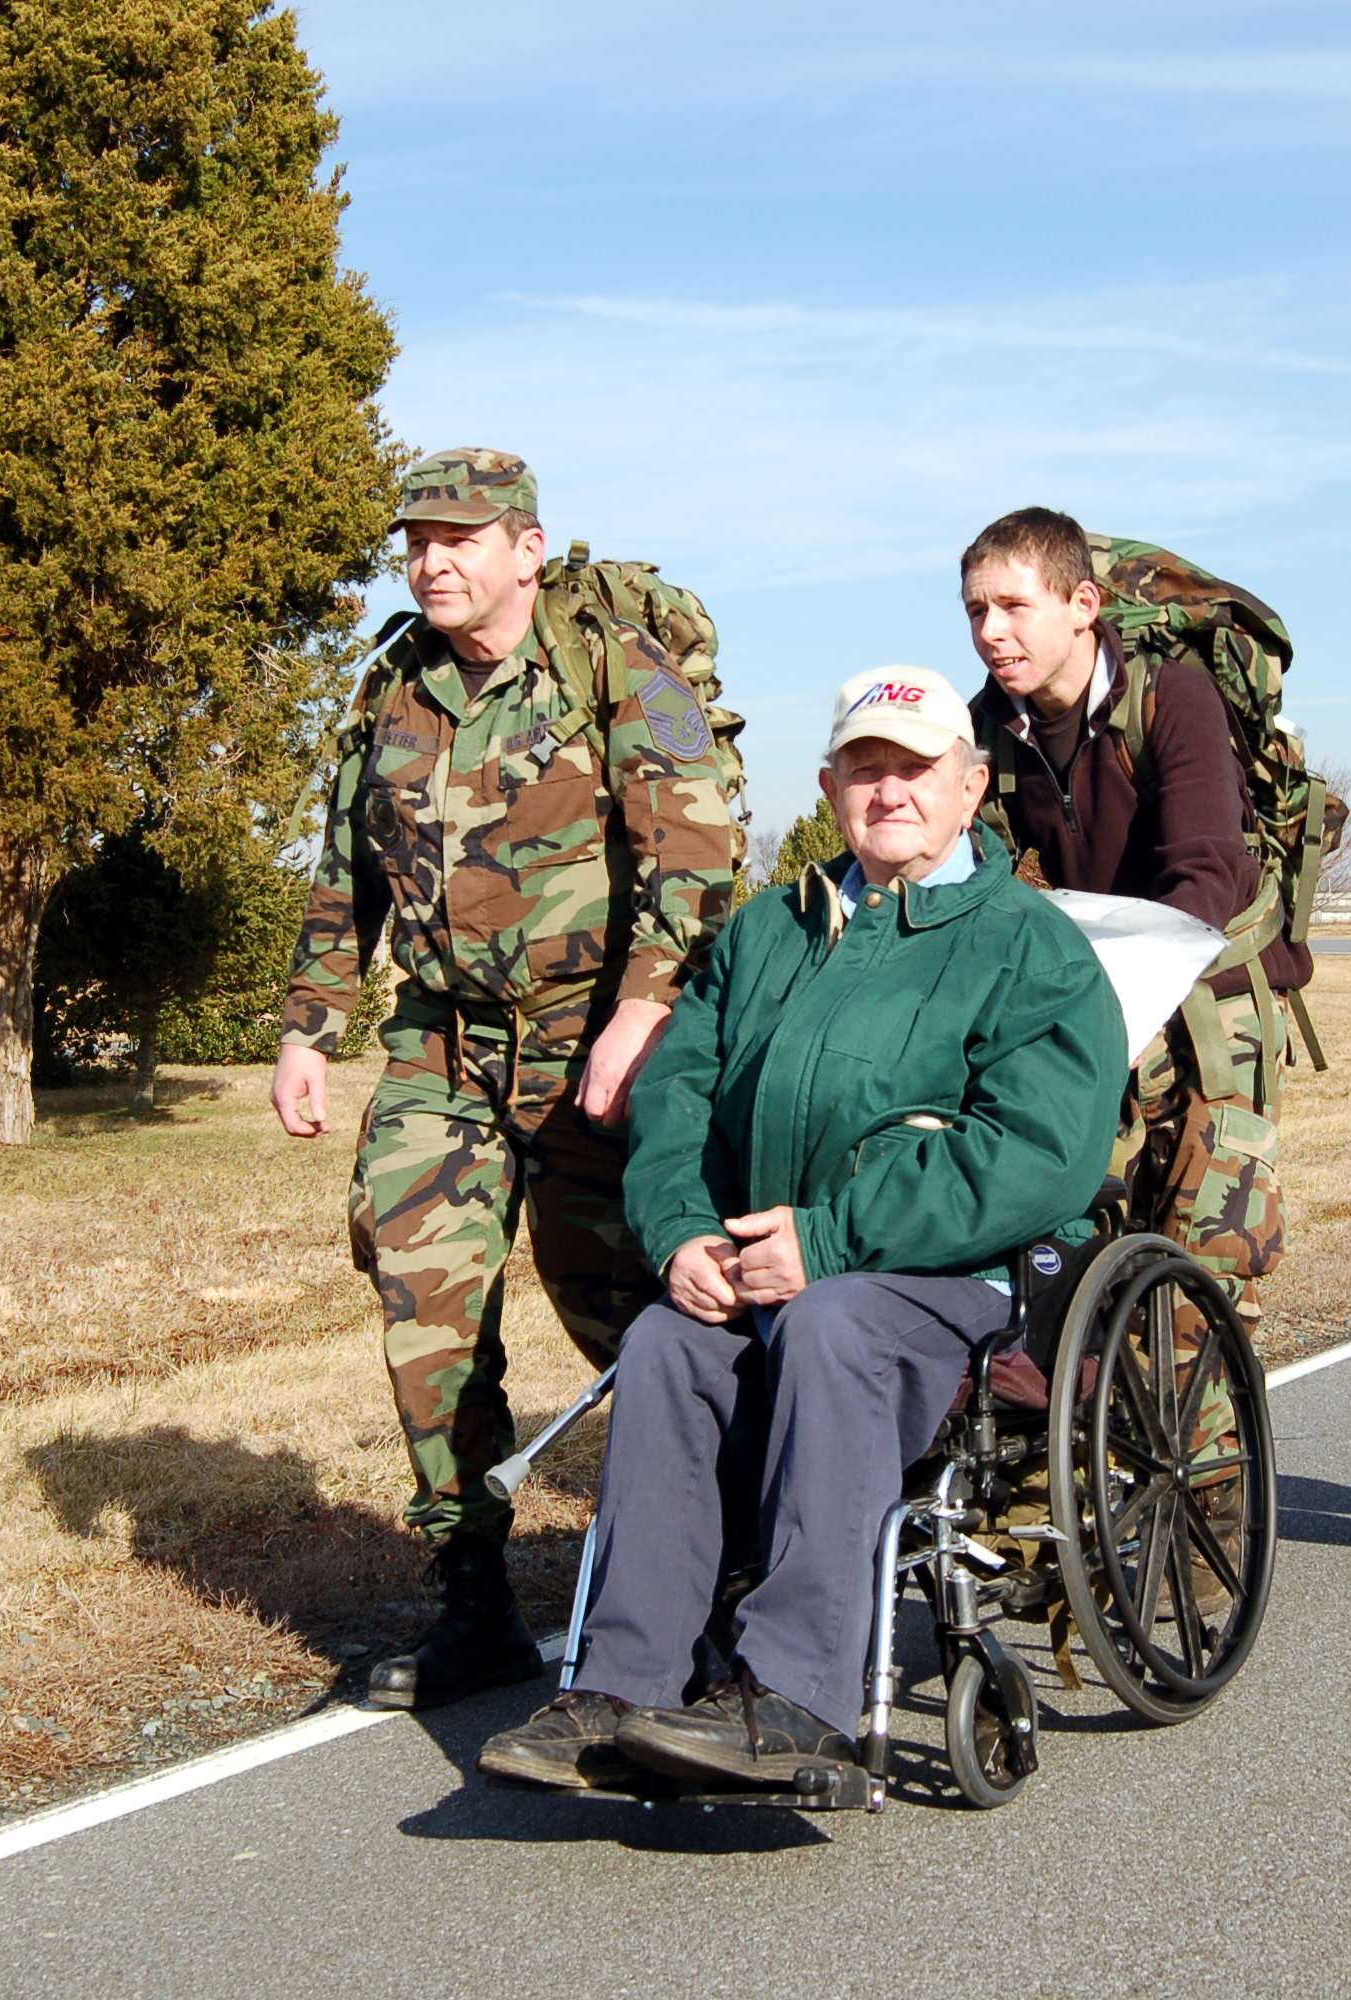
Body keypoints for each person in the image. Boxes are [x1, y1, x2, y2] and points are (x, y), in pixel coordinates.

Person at [477, 670, 1124, 1791]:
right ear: (829, 788)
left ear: (971, 788)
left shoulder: (1031, 946)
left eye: (916, 767)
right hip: (764, 1261)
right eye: (865, 768)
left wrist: (827, 1242)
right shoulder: (767, 931)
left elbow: (1038, 1154)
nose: (889, 791)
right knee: (667, 1342)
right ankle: (622, 1684)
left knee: (834, 1323)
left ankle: (797, 1695)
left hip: (958, 1280)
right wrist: (684, 1235)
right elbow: (680, 1098)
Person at [273, 448, 744, 1711]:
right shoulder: (393, 684)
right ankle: (472, 1596)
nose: (431, 561)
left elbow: (693, 854)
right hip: (443, 1047)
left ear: (525, 550)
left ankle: (719, 1577)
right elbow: (345, 864)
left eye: (459, 538)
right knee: (425, 1314)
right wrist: (309, 1026)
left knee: (644, 1315)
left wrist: (642, 1009)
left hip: (596, 1043)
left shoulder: (609, 668)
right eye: (416, 541)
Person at [958, 507, 1307, 1323]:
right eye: (976, 610)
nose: (990, 632)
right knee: (1069, 1260)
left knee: (1203, 1271)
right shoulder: (988, 731)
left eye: (1014, 606)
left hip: (1216, 988)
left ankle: (1206, 1397)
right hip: (1103, 984)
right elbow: (975, 889)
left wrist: (1114, 1014)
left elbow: (1204, 875)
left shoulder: (1172, 696)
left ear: (1083, 605)